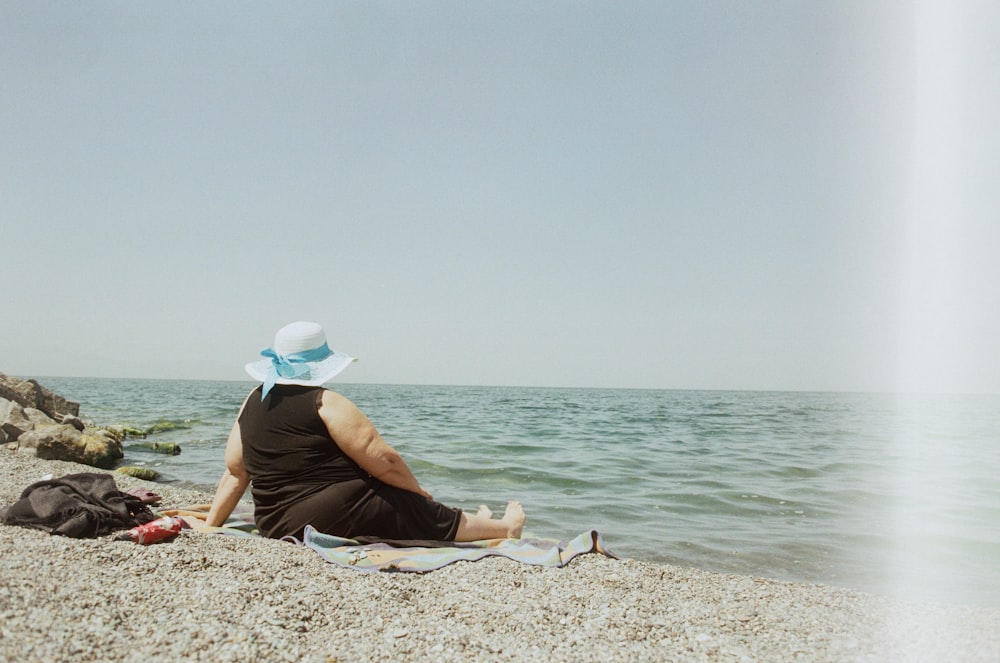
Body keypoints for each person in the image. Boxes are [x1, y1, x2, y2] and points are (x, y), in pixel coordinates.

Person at [205, 321, 525, 542]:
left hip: (274, 524)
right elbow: (385, 461)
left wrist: (211, 526)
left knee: (400, 501)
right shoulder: (326, 402)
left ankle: (484, 519)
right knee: (413, 507)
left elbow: (235, 472)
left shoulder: (253, 399)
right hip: (323, 519)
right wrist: (418, 494)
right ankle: (505, 528)